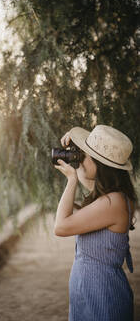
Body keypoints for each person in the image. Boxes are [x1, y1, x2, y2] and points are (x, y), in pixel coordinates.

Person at [53, 124, 138, 321]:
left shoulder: (113, 202)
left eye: (85, 155)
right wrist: (75, 147)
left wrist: (71, 180)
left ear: (101, 164)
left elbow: (61, 226)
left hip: (104, 297)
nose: (80, 159)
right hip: (91, 294)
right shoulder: (111, 197)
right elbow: (88, 176)